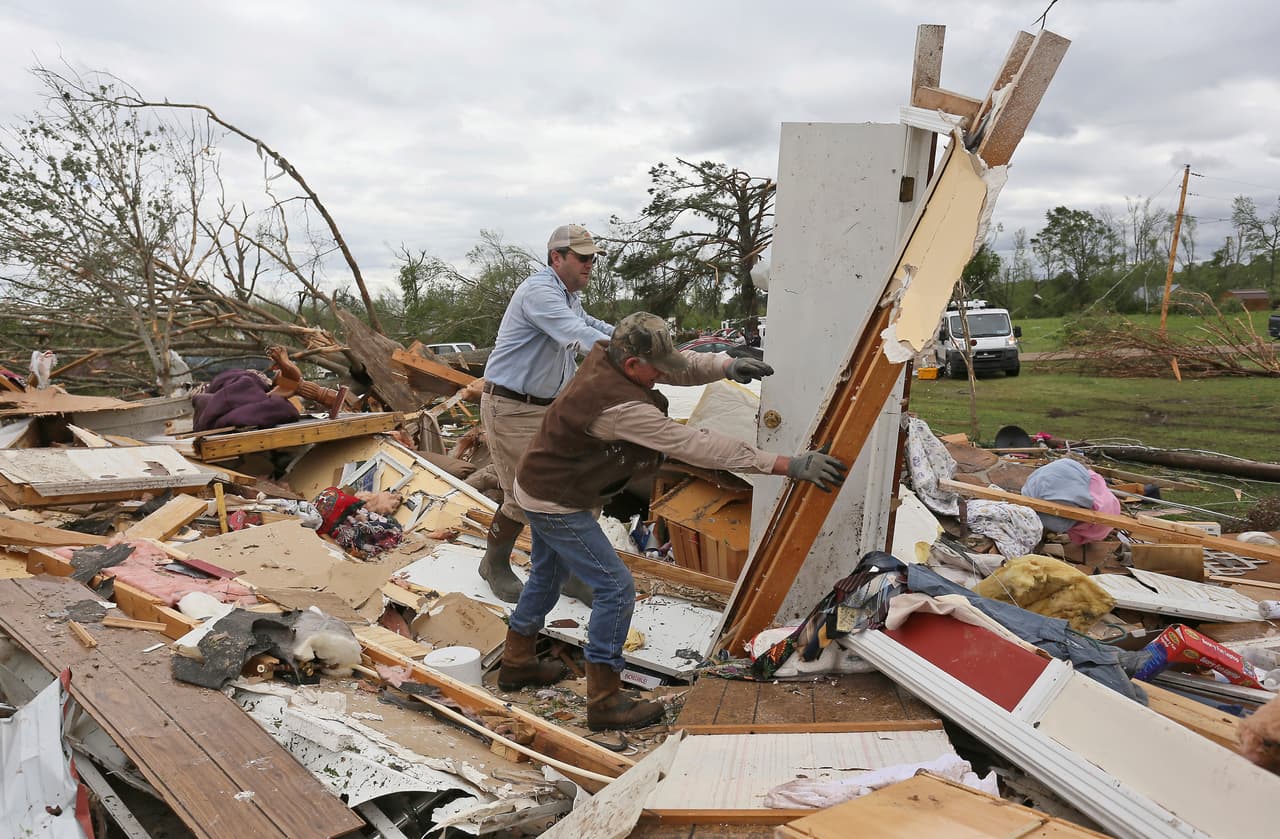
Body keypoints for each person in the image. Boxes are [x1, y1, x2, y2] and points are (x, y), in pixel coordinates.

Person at [498, 312, 848, 730]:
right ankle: (605, 702)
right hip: (554, 500)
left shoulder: (614, 356)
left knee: (546, 577)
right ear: (633, 366)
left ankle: (516, 662)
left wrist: (725, 365)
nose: (665, 372)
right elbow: (697, 446)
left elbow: (678, 366)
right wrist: (787, 464)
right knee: (615, 588)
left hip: (541, 483)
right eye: (656, 368)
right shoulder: (621, 407)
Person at [478, 224, 614, 604]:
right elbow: (577, 334)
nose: (590, 264)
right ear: (557, 257)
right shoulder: (539, 292)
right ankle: (494, 563)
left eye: (593, 258)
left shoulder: (568, 295)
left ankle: (568, 573)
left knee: (578, 489)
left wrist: (633, 336)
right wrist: (626, 354)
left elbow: (591, 325)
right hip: (511, 408)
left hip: (549, 409)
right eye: (583, 258)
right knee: (523, 496)